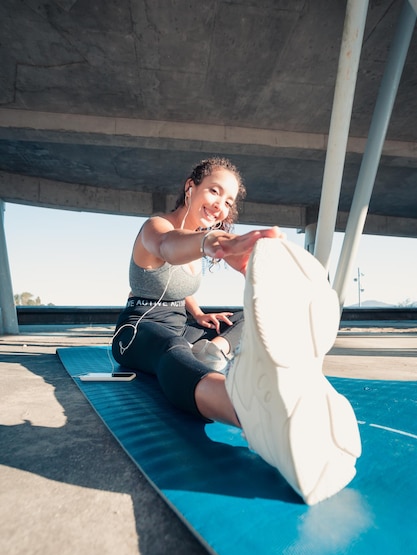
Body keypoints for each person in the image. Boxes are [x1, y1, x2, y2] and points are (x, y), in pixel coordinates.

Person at [112, 156, 361, 505]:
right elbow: (167, 249)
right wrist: (214, 243)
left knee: (240, 317)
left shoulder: (193, 239)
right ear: (190, 186)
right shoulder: (157, 227)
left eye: (228, 201)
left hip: (181, 324)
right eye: (214, 191)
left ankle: (218, 351)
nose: (220, 205)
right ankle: (249, 411)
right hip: (138, 329)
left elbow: (181, 286)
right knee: (171, 352)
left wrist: (199, 315)